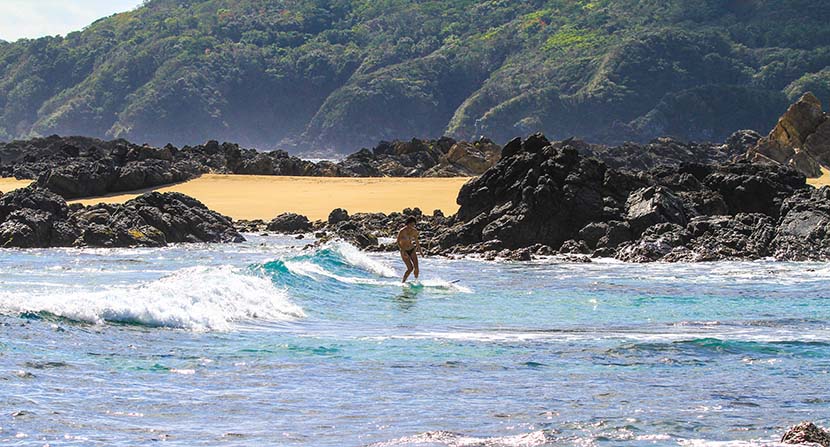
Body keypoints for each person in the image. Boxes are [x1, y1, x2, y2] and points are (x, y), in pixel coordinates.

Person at [397, 216, 422, 283]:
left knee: (416, 267)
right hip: (404, 251)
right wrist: (403, 251)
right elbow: (398, 241)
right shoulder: (402, 231)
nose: (412, 226)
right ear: (407, 223)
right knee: (410, 268)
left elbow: (417, 242)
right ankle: (403, 282)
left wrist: (420, 251)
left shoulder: (414, 231)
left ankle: (416, 281)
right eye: (411, 224)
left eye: (413, 225)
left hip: (411, 249)